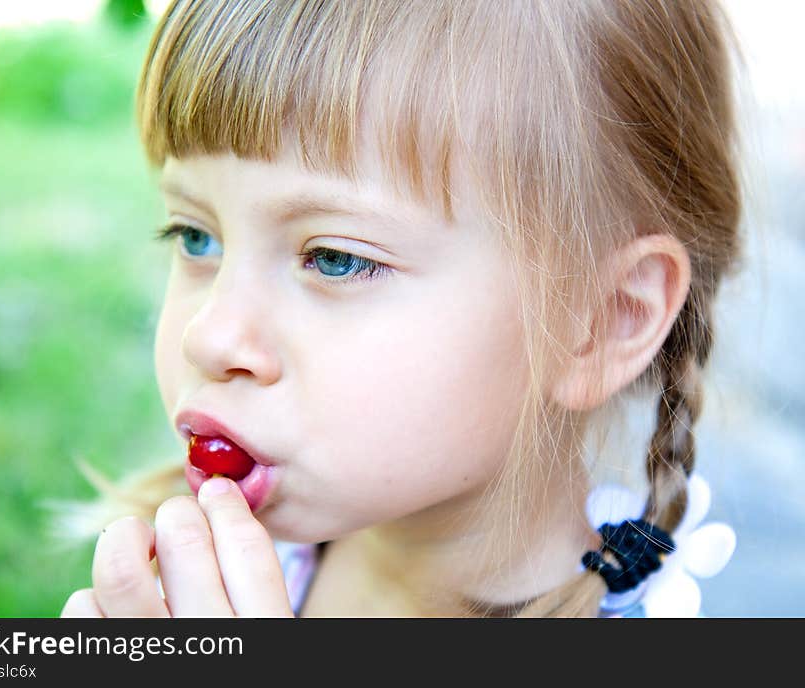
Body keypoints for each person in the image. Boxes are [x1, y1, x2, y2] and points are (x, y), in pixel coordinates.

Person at [56, 0, 743, 618]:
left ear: (600, 322)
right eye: (195, 236)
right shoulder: (206, 576)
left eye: (335, 258)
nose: (209, 337)